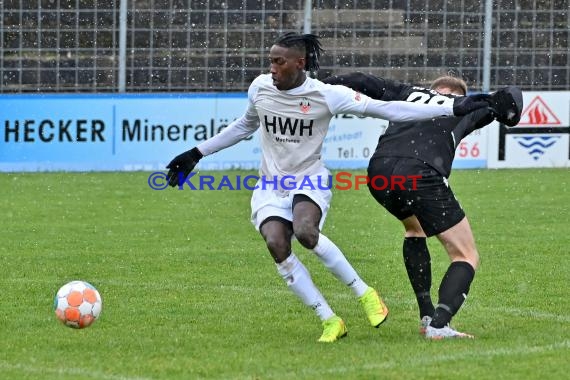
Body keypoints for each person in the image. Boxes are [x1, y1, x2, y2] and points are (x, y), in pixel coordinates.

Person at [165, 33, 491, 343]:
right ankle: (329, 319)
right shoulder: (260, 88)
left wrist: (451, 107)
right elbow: (245, 125)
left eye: (279, 62)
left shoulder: (326, 94)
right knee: (277, 244)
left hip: (310, 178)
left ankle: (364, 293)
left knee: (306, 232)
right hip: (270, 184)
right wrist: (197, 153)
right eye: (270, 61)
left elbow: (388, 108)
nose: (272, 68)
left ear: (300, 64)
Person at [322, 72, 522, 339]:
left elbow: (363, 80)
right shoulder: (465, 106)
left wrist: (321, 81)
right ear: (458, 95)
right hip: (419, 172)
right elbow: (511, 100)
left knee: (414, 229)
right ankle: (438, 326)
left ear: (432, 90)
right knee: (466, 255)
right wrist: (507, 113)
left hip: (379, 172)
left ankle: (427, 315)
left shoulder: (405, 92)